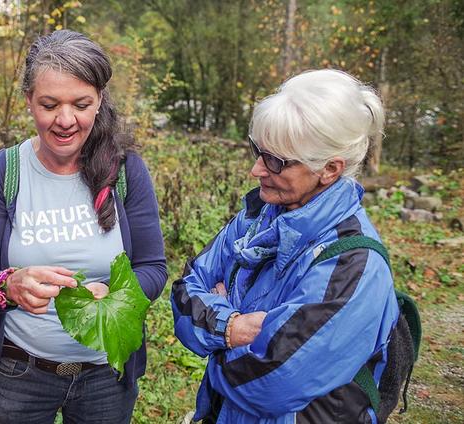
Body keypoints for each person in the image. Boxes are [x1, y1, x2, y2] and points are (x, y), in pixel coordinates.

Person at [0, 30, 167, 424]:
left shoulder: (125, 172)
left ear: (99, 100)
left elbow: (153, 269)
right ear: (28, 102)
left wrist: (116, 293)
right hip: (19, 374)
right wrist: (9, 285)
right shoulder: (5, 171)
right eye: (49, 104)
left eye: (81, 104)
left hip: (106, 376)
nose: (65, 120)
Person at [171, 69, 400, 423]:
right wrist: (232, 327)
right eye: (258, 151)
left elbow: (269, 383)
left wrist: (215, 340)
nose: (256, 170)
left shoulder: (354, 265)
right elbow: (185, 293)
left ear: (329, 169)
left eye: (275, 161)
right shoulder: (255, 218)